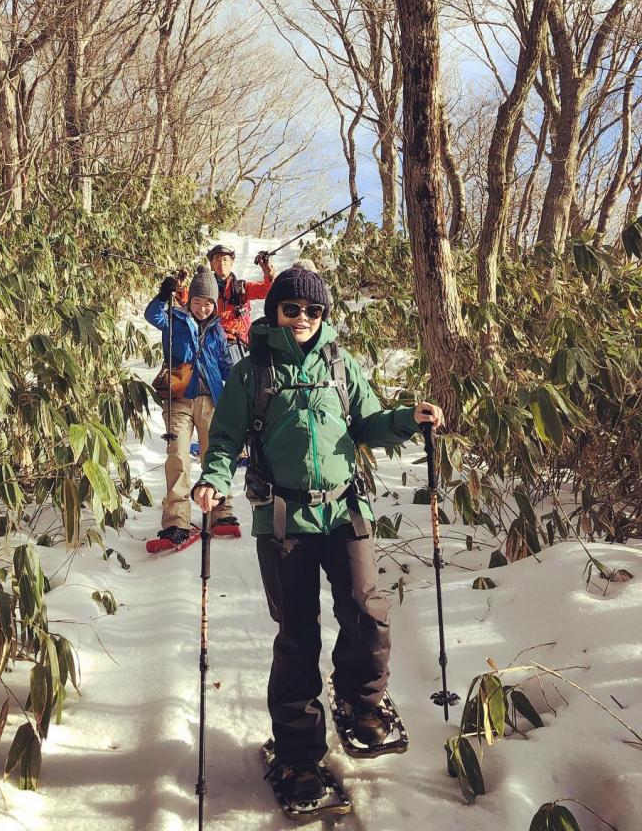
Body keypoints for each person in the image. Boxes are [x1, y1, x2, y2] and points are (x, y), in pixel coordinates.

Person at [190, 265, 445, 802]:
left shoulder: (340, 363)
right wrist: (212, 480)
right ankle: (299, 753)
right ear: (274, 311)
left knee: (366, 611)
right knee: (298, 636)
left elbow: (368, 423)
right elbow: (223, 441)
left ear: (323, 316)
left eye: (313, 310)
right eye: (292, 309)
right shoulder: (252, 371)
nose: (303, 318)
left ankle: (360, 701)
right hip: (284, 522)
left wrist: (406, 419)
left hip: (345, 512)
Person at [144, 266, 241, 549]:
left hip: (211, 400)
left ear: (214, 304)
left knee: (215, 455)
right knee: (178, 457)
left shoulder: (217, 330)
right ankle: (176, 522)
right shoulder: (174, 319)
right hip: (179, 401)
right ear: (190, 300)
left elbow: (225, 365)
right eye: (197, 301)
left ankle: (222, 512)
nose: (202, 308)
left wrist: (239, 387)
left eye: (208, 303)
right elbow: (153, 315)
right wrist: (164, 295)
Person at [206, 244, 275, 362]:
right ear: (211, 264)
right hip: (211, 340)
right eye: (217, 259)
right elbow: (190, 302)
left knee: (234, 372)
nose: (221, 263)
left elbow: (267, 290)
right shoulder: (205, 287)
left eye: (225, 260)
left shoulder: (242, 288)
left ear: (232, 262)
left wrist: (268, 272)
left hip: (236, 342)